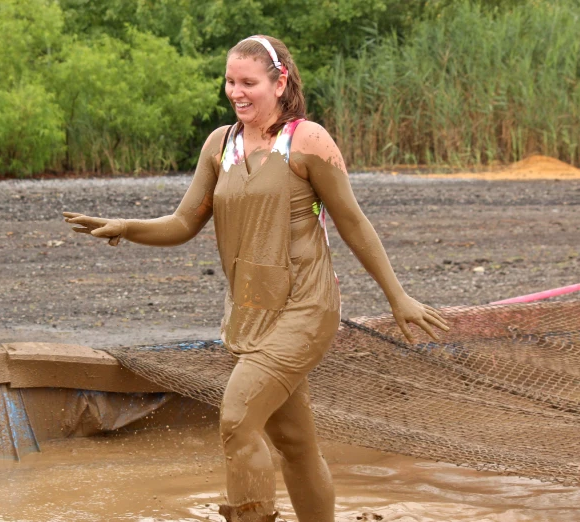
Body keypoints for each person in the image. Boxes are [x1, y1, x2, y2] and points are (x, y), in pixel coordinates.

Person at [64, 35, 449, 522]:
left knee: (237, 421)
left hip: (305, 309)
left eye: (249, 82)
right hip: (248, 313)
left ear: (280, 81)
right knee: (294, 444)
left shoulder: (306, 140)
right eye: (230, 81)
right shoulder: (219, 144)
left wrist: (398, 296)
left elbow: (352, 221)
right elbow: (184, 223)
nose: (236, 92)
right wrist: (127, 227)